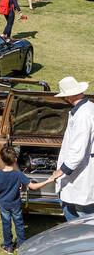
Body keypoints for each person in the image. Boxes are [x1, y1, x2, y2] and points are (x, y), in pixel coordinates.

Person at [0, 146, 55, 253]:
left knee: (6, 224)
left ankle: (8, 246)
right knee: (19, 224)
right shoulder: (18, 174)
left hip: (3, 204)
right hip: (15, 204)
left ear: (2, 159)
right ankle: (21, 245)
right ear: (15, 159)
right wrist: (48, 180)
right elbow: (33, 187)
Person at [51, 76, 94, 221]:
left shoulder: (84, 115)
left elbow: (78, 150)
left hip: (81, 173)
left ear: (69, 95)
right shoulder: (87, 107)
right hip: (79, 172)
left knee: (83, 213)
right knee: (67, 202)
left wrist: (62, 170)